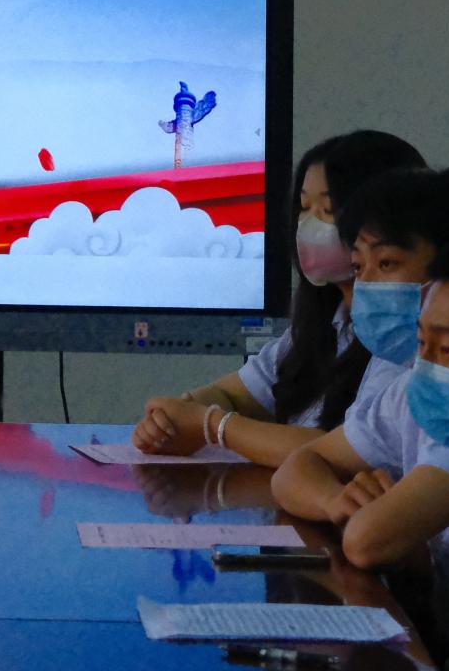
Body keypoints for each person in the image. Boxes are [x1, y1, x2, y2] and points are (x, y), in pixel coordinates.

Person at [272, 180, 449, 669]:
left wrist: (214, 425)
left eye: (386, 264)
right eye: (358, 267)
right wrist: (335, 500)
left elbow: (369, 541)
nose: (364, 287)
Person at [133, 130, 425, 465]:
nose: (308, 225)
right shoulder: (324, 323)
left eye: (327, 210)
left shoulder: (400, 333)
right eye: (304, 207)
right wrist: (175, 418)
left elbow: (340, 451)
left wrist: (211, 425)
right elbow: (232, 394)